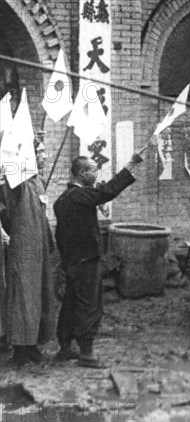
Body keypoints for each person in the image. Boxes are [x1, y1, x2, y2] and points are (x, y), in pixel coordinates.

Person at [54, 152, 143, 368]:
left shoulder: (62, 200)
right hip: (86, 260)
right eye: (94, 169)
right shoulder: (80, 196)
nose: (96, 173)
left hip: (73, 261)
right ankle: (87, 352)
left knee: (71, 302)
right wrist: (130, 163)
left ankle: (65, 346)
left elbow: (61, 236)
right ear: (83, 173)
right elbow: (107, 191)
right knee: (90, 304)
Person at [0, 138, 55, 366]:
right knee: (22, 297)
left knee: (40, 296)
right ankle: (20, 349)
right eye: (40, 152)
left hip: (40, 248)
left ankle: (33, 345)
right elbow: (7, 205)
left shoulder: (37, 182)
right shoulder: (16, 184)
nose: (45, 156)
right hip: (23, 249)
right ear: (29, 157)